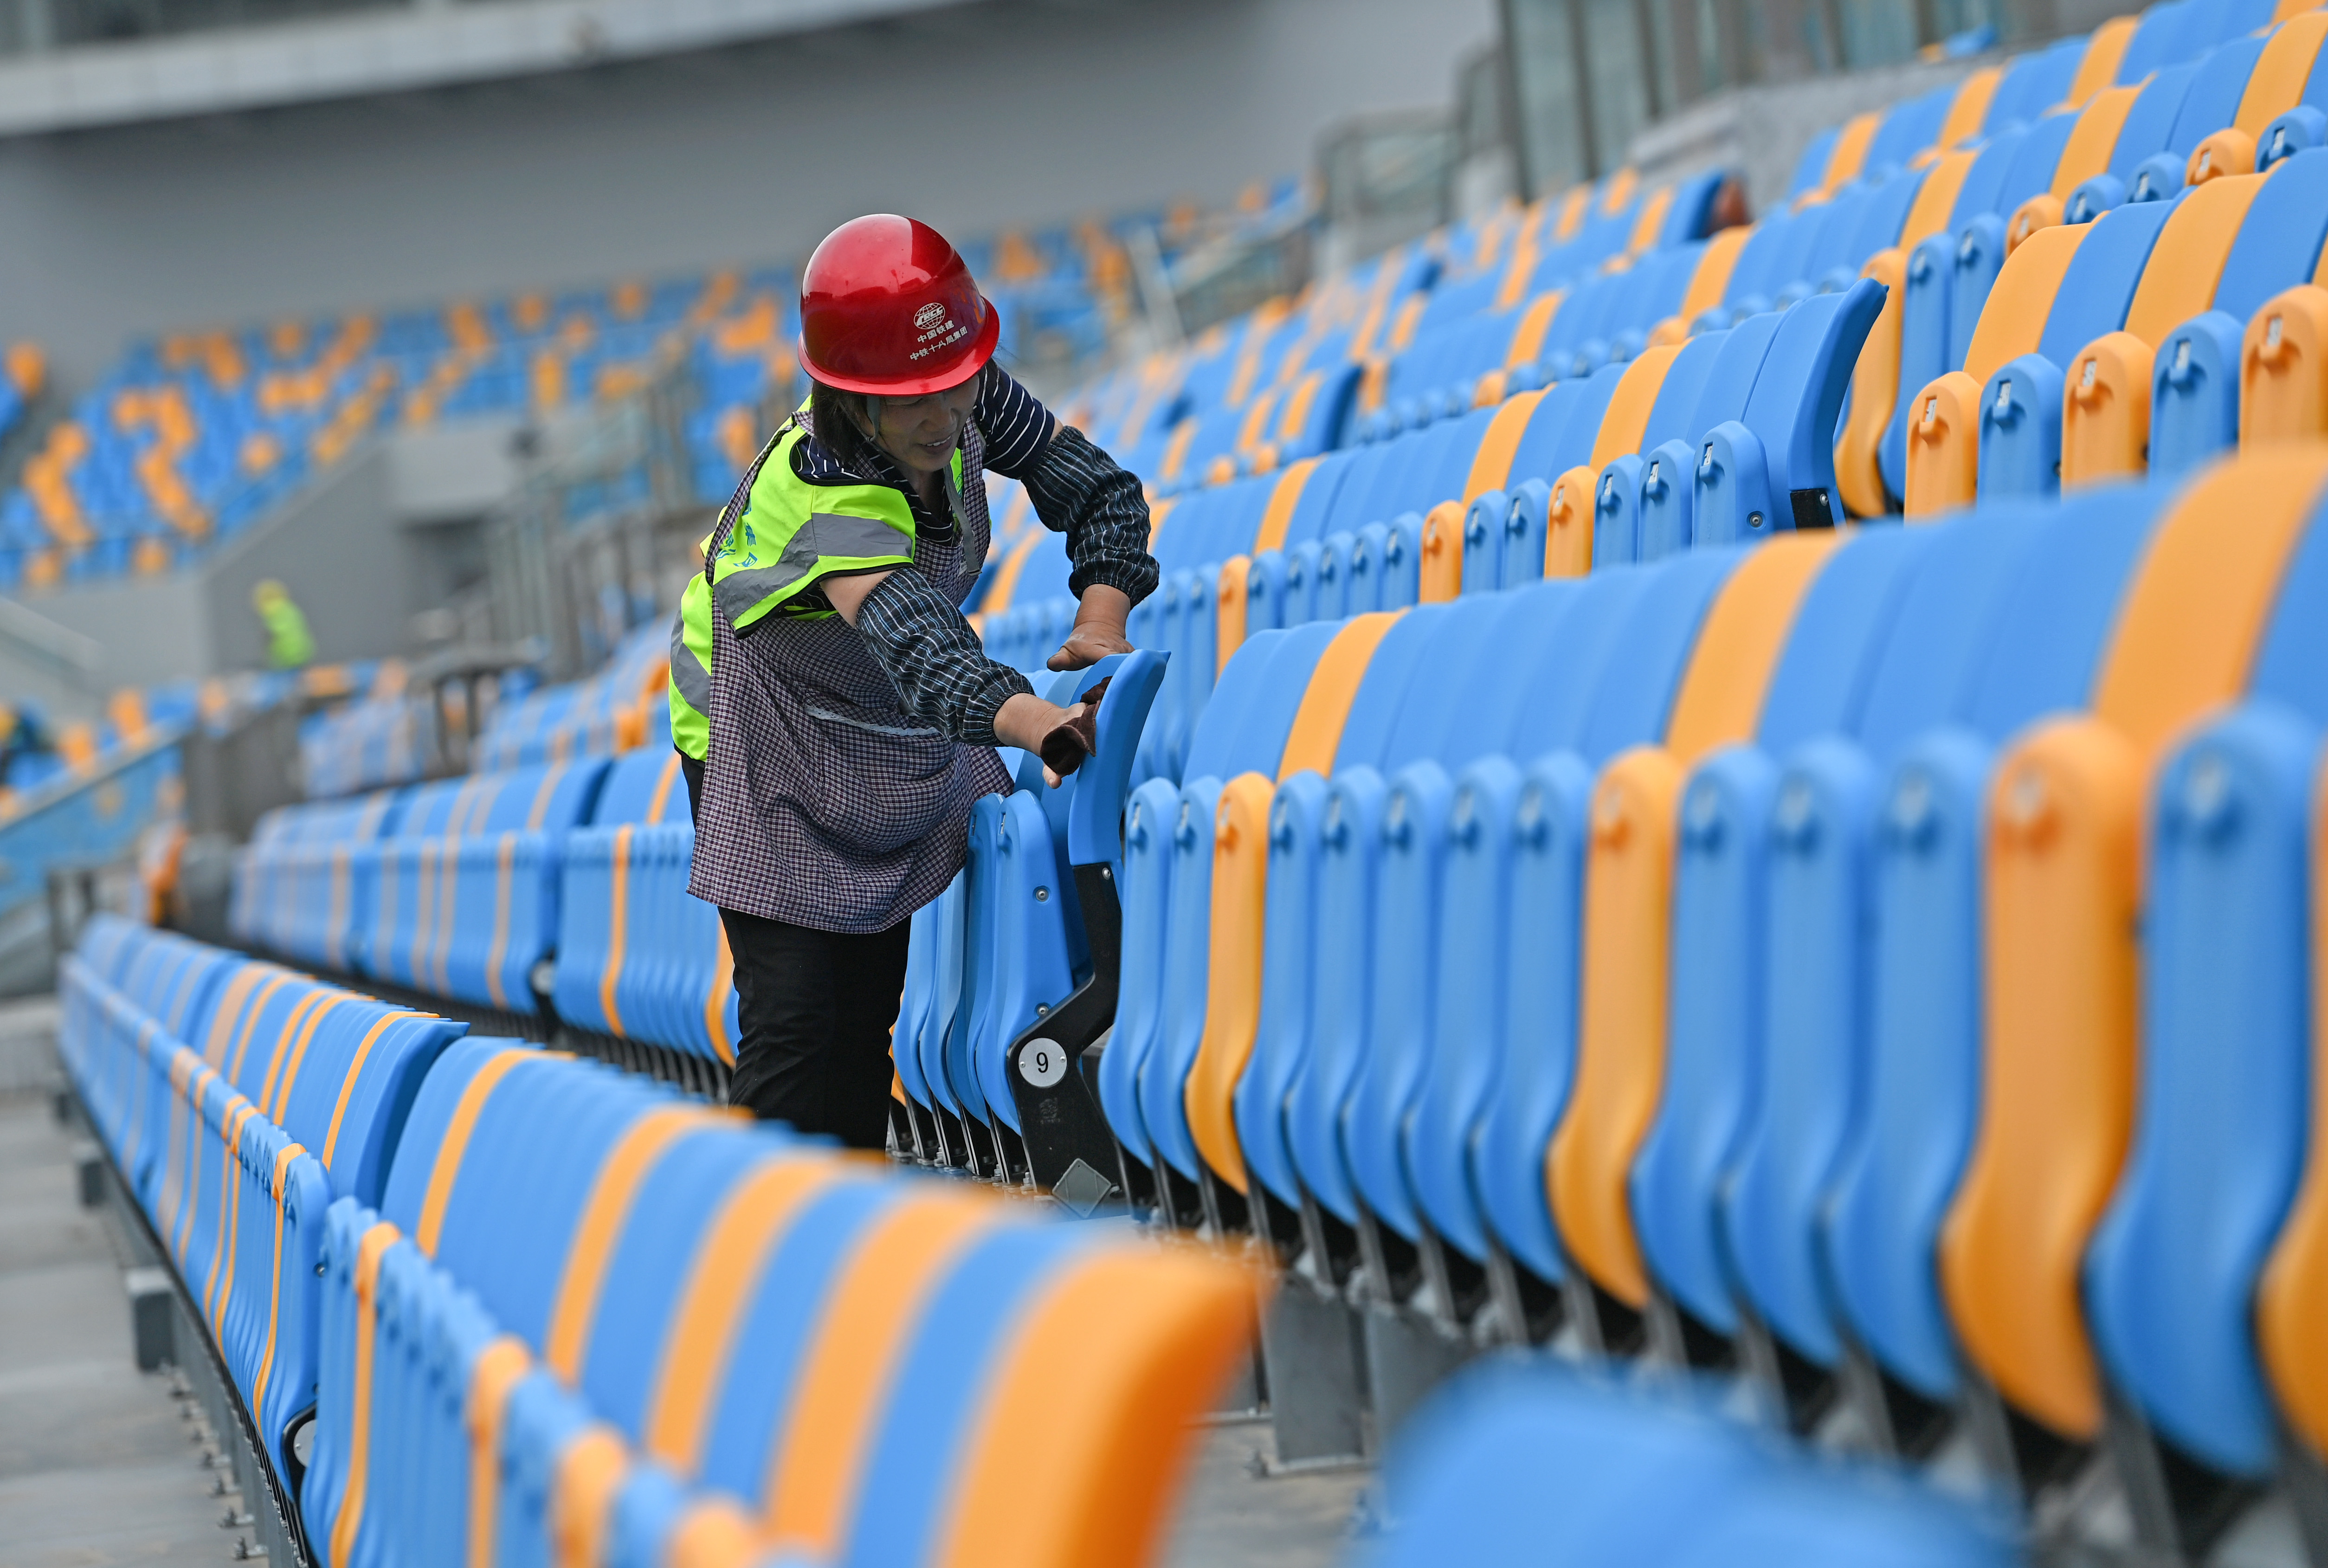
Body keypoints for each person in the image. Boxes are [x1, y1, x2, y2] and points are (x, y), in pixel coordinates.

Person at [667, 214, 1157, 1149]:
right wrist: (1038, 723)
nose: (942, 419)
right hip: (755, 723)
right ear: (855, 402)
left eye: (954, 387)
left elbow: (1097, 490)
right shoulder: (821, 485)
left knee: (865, 1011)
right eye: (911, 405)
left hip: (866, 714)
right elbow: (924, 651)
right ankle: (756, 1218)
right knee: (797, 1012)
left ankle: (851, 1207)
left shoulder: (962, 391)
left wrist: (1102, 616)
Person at [251, 579, 314, 669]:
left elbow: (273, 634)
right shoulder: (290, 608)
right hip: (304, 653)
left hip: (287, 657)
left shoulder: (271, 611)